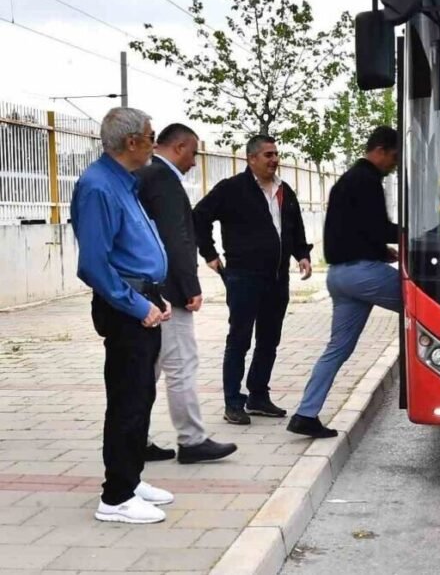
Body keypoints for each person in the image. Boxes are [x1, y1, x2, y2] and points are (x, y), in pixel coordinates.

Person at [71, 107, 175, 523]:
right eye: (151, 136)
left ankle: (129, 479)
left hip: (143, 301)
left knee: (140, 396)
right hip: (125, 308)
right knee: (127, 401)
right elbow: (93, 265)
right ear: (132, 141)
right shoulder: (97, 187)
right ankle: (115, 497)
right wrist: (138, 305)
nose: (154, 142)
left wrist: (157, 296)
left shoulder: (122, 183)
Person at [288, 126, 401, 438]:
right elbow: (378, 228)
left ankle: (305, 414)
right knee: (428, 304)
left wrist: (381, 249)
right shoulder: (368, 181)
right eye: (394, 156)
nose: (395, 163)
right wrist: (416, 232)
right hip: (362, 274)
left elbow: (356, 228)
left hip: (339, 276)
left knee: (337, 348)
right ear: (379, 150)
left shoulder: (347, 181)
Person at [135, 124, 238, 464]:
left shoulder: (143, 174)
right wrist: (190, 287)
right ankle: (192, 441)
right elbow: (175, 238)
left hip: (144, 289)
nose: (195, 162)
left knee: (147, 368)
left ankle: (135, 438)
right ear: (179, 147)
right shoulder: (163, 180)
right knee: (181, 364)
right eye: (193, 153)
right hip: (167, 292)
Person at [193, 134, 313, 425]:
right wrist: (209, 253)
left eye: (276, 154)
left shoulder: (284, 190)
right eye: (268, 155)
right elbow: (198, 216)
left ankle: (258, 395)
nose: (274, 160)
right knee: (239, 340)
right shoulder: (232, 189)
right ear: (252, 159)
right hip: (244, 277)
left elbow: (293, 226)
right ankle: (233, 402)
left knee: (269, 339)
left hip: (277, 278)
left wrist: (302, 255)